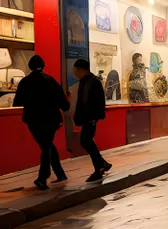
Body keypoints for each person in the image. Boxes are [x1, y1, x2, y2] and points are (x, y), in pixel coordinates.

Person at [12, 55, 70, 190]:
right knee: (47, 145)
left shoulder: (25, 82)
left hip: (33, 120)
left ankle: (43, 178)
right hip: (52, 120)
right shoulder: (50, 80)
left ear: (30, 67)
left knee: (46, 146)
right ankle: (59, 174)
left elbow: (17, 103)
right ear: (43, 66)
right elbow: (64, 103)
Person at [72, 59, 112, 182]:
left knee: (86, 141)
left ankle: (99, 166)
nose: (74, 73)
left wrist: (94, 117)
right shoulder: (85, 81)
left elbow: (97, 102)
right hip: (87, 117)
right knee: (86, 141)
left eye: (75, 70)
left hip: (90, 117)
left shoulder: (93, 82)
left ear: (80, 69)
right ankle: (102, 164)